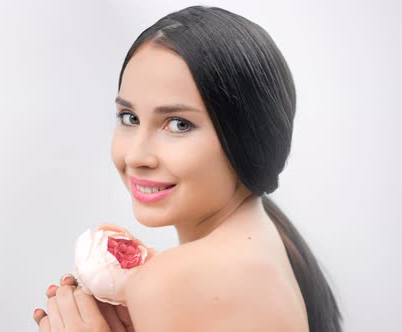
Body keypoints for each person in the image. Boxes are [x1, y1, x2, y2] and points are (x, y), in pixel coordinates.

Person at [33, 5, 342, 331]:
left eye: (178, 124)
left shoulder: (168, 282)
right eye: (129, 117)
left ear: (248, 136)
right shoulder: (272, 239)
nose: (137, 156)